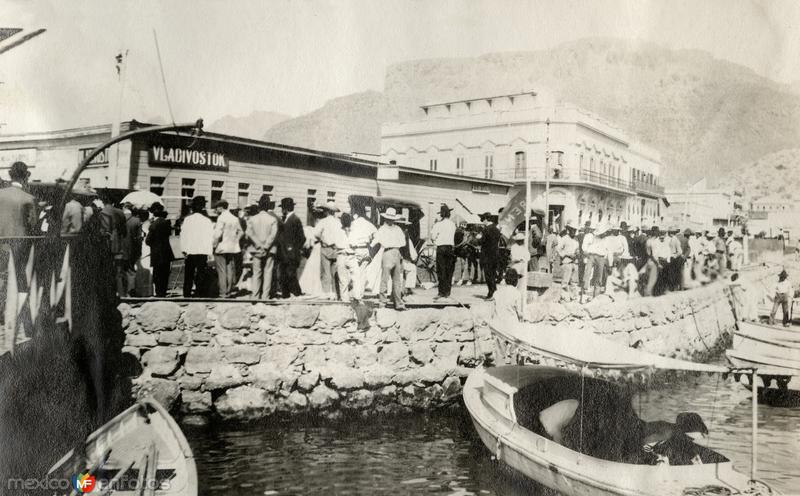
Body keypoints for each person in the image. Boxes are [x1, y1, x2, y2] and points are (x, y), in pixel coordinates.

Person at [372, 207, 407, 310]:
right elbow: (403, 242)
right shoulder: (395, 229)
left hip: (392, 252)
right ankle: (386, 303)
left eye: (392, 218)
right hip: (391, 252)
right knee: (387, 279)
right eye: (389, 218)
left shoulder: (384, 229)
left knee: (394, 280)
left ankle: (394, 303)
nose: (390, 220)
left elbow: (375, 241)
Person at [246, 194, 280, 299]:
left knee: (256, 273)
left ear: (259, 206)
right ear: (268, 206)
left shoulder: (252, 219)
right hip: (269, 250)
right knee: (268, 272)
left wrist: (258, 244)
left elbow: (249, 233)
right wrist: (266, 246)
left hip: (256, 249)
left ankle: (255, 296)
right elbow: (273, 235)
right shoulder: (273, 219)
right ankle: (265, 296)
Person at [180, 196, 214, 297]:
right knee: (201, 273)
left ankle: (187, 293)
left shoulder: (188, 220)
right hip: (202, 250)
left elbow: (184, 235)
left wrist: (183, 249)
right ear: (203, 207)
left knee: (189, 273)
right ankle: (200, 293)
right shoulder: (207, 221)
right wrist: (209, 251)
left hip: (190, 250)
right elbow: (209, 237)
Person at [97, 193, 128, 297]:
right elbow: (124, 231)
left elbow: (104, 230)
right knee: (119, 271)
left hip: (108, 244)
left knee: (107, 270)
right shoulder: (120, 212)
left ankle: (110, 293)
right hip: (119, 243)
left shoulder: (103, 212)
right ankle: (122, 293)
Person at [345, 203, 376, 301]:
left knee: (354, 273)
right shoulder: (368, 224)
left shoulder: (353, 224)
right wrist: (371, 244)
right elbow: (377, 235)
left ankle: (355, 294)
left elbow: (348, 237)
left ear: (356, 213)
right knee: (362, 273)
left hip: (355, 250)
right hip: (365, 249)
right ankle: (360, 294)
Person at [212, 200, 244, 298]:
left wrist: (213, 245)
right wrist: (235, 241)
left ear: (221, 208)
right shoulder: (234, 218)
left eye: (216, 208)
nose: (216, 210)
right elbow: (241, 232)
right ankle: (229, 291)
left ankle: (223, 292)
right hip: (232, 247)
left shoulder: (221, 218)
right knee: (230, 269)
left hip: (221, 247)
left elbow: (218, 234)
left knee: (221, 271)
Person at [314, 201, 343, 299]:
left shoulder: (323, 222)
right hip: (336, 249)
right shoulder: (338, 223)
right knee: (335, 272)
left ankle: (326, 293)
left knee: (325, 272)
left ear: (327, 211)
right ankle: (336, 293)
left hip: (326, 247)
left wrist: (321, 238)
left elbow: (316, 233)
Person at [278, 197, 305, 298]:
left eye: (282, 208)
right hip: (284, 252)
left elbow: (302, 237)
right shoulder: (285, 219)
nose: (282, 210)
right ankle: (286, 294)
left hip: (291, 252)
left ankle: (296, 292)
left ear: (285, 208)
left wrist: (294, 248)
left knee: (290, 273)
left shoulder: (295, 219)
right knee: (284, 273)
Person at [146, 203, 174, 297]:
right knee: (165, 274)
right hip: (166, 251)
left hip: (157, 252)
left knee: (157, 274)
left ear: (154, 212)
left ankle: (159, 293)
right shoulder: (166, 222)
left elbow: (148, 241)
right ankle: (163, 292)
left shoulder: (153, 224)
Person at [430, 204, 457, 299]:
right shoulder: (453, 224)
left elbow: (432, 237)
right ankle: (447, 292)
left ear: (441, 214)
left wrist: (435, 240)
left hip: (441, 248)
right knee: (449, 270)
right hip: (450, 248)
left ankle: (441, 292)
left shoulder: (438, 224)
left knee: (441, 270)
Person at [121, 207, 144, 296]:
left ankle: (121, 292)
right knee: (130, 271)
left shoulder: (117, 219)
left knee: (120, 271)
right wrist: (139, 251)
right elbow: (138, 239)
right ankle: (130, 292)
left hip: (118, 250)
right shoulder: (136, 221)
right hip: (131, 250)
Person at [479, 212, 501, 299]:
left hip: (487, 255)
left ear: (485, 219)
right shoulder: (496, 229)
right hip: (495, 254)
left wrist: (478, 239)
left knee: (488, 274)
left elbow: (482, 241)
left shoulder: (486, 229)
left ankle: (491, 292)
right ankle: (494, 291)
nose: (482, 222)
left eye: (483, 220)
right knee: (493, 273)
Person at [557, 222, 579, 302]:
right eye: (572, 230)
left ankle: (574, 298)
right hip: (566, 262)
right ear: (569, 230)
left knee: (574, 282)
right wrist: (567, 254)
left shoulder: (576, 240)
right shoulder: (564, 239)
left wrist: (577, 252)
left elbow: (577, 249)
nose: (574, 232)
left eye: (575, 230)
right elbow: (558, 250)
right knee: (565, 282)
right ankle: (564, 297)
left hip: (574, 263)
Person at [397, 215, 418, 296]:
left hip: (390, 260)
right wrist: (412, 258)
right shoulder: (407, 238)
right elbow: (413, 255)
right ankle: (407, 288)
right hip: (401, 262)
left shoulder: (393, 234)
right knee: (412, 268)